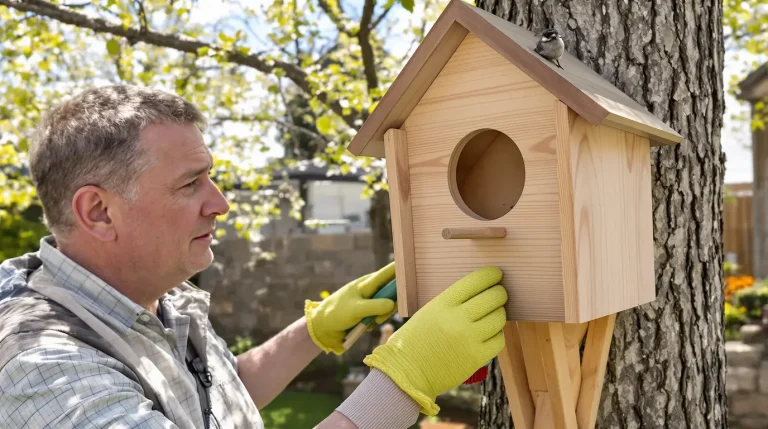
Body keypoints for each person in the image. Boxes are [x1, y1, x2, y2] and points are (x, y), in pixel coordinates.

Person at [0, 85, 508, 429]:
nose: (219, 202)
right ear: (99, 212)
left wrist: (311, 333)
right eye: (190, 183)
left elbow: (210, 399)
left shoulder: (153, 297)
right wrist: (401, 385)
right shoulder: (45, 373)